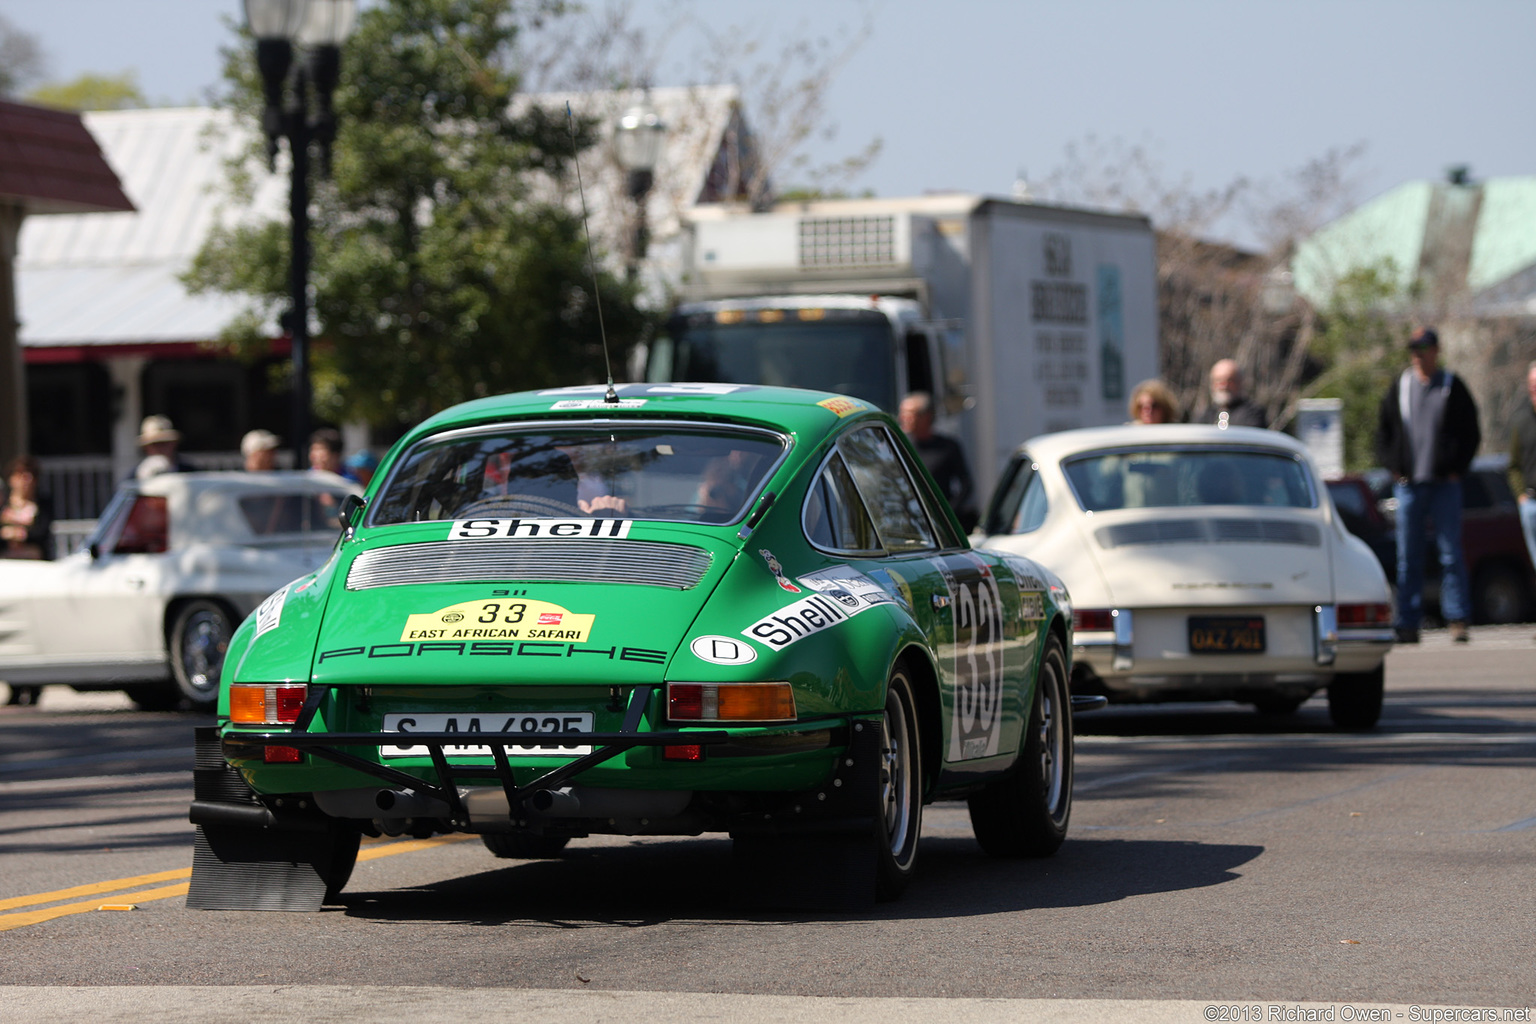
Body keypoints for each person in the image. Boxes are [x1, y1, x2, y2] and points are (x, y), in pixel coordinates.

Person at [1375, 326, 1481, 644]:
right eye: (1413, 348)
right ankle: (1407, 621)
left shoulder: (1451, 385)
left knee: (1450, 553)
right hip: (1409, 485)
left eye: (1424, 347)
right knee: (1409, 555)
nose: (1418, 354)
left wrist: (1456, 468)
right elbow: (1384, 431)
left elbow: (1471, 432)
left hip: (1443, 485)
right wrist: (1393, 467)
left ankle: (1457, 618)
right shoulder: (1401, 386)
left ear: (1436, 350)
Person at [897, 391, 977, 531]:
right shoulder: (899, 446)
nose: (903, 418)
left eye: (909, 414)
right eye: (902, 413)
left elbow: (966, 484)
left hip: (939, 524)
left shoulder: (948, 447)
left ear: (926, 417)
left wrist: (948, 513)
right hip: (906, 521)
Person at [1507, 360, 1536, 582]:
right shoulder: (1522, 420)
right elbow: (1513, 465)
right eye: (1532, 386)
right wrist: (1521, 497)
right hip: (1531, 501)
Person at [2, 455, 53, 561]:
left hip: (33, 562)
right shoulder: (3, 504)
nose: (27, 480)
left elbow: (42, 532)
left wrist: (16, 534)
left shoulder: (42, 505)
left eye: (31, 476)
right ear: (11, 478)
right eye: (21, 475)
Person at [1195, 358, 1267, 428]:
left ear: (1239, 382)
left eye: (1229, 381)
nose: (1223, 386)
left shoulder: (1252, 413)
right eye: (1218, 381)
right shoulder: (1206, 415)